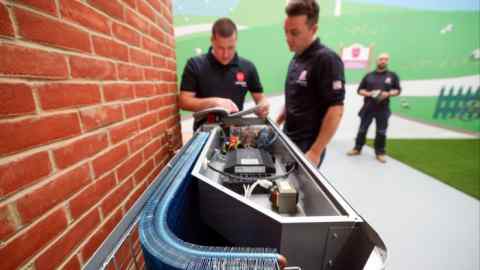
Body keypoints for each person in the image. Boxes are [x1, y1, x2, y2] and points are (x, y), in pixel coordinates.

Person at [276, 0, 345, 167]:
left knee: (295, 194)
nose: (288, 38)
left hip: (307, 148)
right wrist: (277, 122)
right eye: (286, 31)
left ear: (313, 29)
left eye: (294, 33)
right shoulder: (297, 58)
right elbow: (294, 97)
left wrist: (315, 151)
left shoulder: (326, 59)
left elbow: (336, 109)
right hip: (289, 139)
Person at [179, 17, 269, 130]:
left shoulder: (248, 67)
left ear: (236, 41)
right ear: (212, 40)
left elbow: (260, 98)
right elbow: (184, 102)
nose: (226, 54)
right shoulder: (195, 65)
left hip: (235, 133)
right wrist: (213, 102)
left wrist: (263, 105)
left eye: (231, 48)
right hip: (204, 134)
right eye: (220, 48)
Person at [347, 53, 401, 163]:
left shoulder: (392, 76)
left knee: (381, 132)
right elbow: (360, 90)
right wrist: (370, 93)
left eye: (386, 59)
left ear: (387, 61)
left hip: (383, 109)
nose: (383, 61)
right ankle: (357, 148)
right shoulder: (369, 76)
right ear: (377, 61)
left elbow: (397, 90)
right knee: (362, 129)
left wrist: (388, 93)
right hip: (368, 108)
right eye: (381, 59)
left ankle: (380, 153)